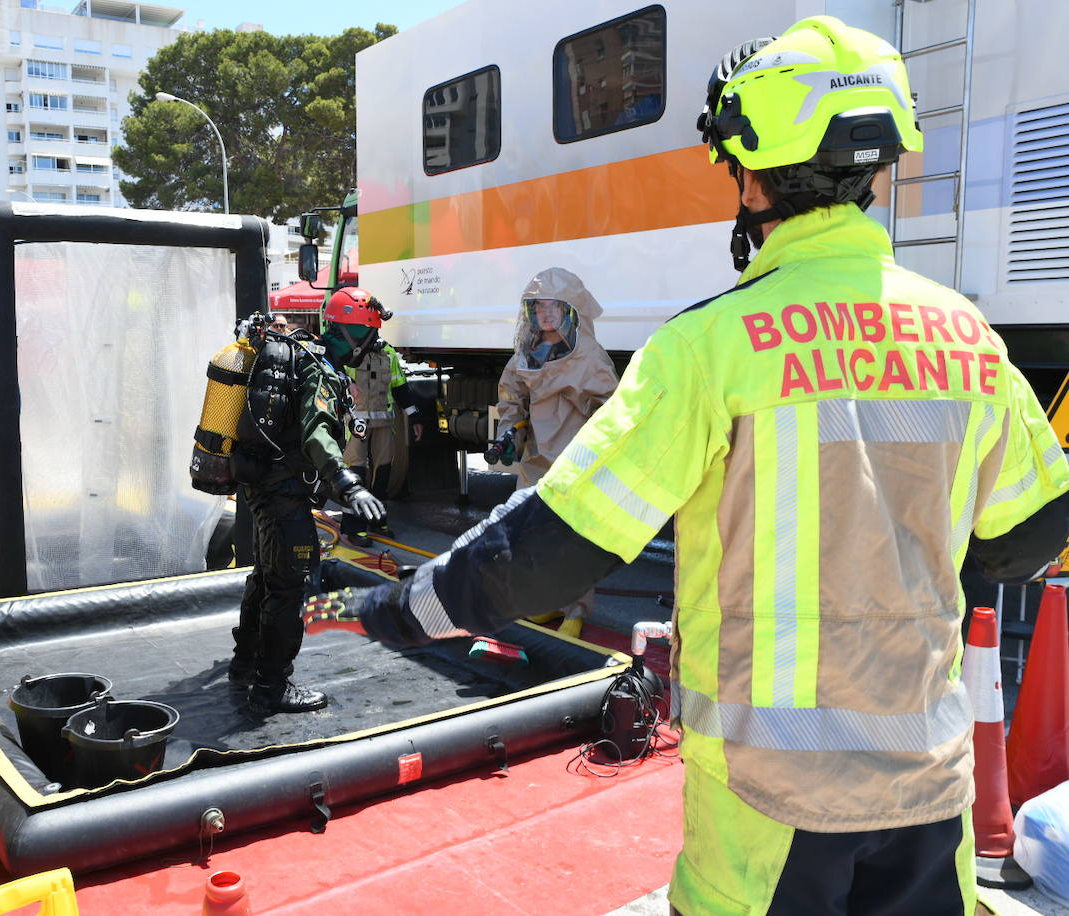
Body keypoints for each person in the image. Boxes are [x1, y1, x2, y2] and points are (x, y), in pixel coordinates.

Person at [302, 17, 1069, 914]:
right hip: (930, 801)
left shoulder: (711, 347)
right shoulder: (966, 337)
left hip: (771, 816)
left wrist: (394, 607)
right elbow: (1026, 540)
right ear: (875, 167)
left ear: (750, 175)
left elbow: (555, 546)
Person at [228, 293, 386, 713]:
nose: (372, 344)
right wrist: (349, 485)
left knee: (265, 577)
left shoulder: (305, 355)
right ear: (354, 333)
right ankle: (271, 689)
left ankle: (245, 666)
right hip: (283, 494)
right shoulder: (320, 371)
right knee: (289, 587)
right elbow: (316, 435)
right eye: (370, 334)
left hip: (263, 485)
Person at [494, 268, 619, 637]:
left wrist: (602, 456)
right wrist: (508, 436)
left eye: (553, 306)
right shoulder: (528, 353)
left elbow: (611, 409)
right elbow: (511, 399)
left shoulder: (590, 356)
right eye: (538, 307)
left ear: (570, 310)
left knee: (573, 539)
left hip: (576, 459)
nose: (545, 314)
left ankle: (575, 611)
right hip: (536, 459)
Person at [340, 332, 423, 549]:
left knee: (383, 469)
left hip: (384, 421)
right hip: (356, 421)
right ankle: (353, 526)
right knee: (356, 471)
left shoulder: (388, 352)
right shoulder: (347, 351)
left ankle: (377, 520)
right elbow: (334, 376)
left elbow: (400, 386)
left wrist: (414, 415)